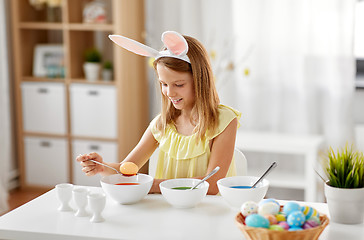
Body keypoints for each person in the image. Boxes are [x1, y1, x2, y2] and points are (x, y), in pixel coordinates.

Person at [76, 31, 241, 195]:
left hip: (209, 212)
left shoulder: (224, 121)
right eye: (164, 84)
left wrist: (154, 186)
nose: (169, 93)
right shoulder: (162, 124)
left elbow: (212, 185)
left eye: (179, 84)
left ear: (200, 80)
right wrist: (102, 167)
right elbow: (127, 169)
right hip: (167, 211)